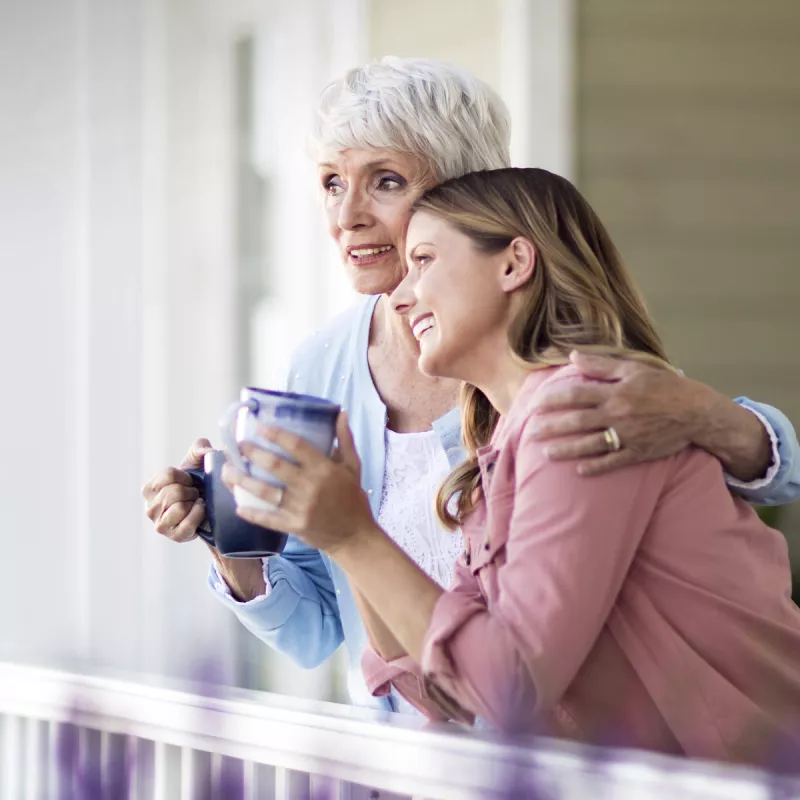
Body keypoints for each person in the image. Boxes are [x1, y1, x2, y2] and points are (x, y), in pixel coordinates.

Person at [141, 58, 800, 713]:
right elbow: (323, 627)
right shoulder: (318, 370)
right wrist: (235, 544)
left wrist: (705, 414)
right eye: (331, 184)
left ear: (462, 194)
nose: (347, 215)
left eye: (386, 181)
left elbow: (750, 474)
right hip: (432, 742)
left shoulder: (556, 384)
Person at [226, 167, 800, 764]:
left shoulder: (585, 409)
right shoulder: (503, 452)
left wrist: (353, 535)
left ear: (513, 263)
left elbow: (510, 688)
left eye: (422, 261)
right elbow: (446, 692)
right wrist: (349, 524)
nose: (399, 296)